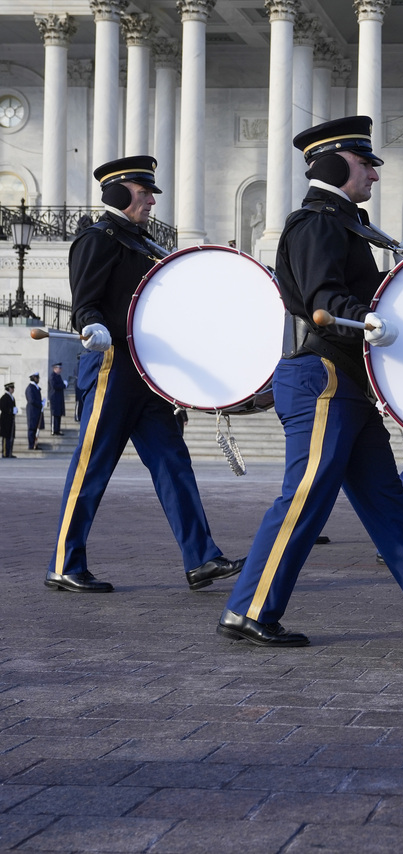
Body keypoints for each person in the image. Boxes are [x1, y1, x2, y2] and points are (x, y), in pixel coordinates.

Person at [218, 116, 403, 647]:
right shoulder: (316, 224)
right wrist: (368, 318)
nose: (374, 174)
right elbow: (325, 298)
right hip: (322, 376)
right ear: (332, 162)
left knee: (384, 497)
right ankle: (250, 608)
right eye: (365, 163)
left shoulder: (343, 223)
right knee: (305, 496)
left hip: (344, 379)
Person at [47, 155, 243, 594]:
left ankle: (201, 559)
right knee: (91, 468)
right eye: (144, 191)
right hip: (112, 367)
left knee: (174, 464)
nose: (153, 200)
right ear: (117, 191)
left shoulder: (142, 243)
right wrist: (91, 325)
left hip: (147, 373)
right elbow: (86, 302)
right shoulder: (97, 238)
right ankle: (64, 563)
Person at [24, 373, 41, 451]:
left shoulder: (35, 387)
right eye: (37, 378)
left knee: (35, 429)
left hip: (36, 411)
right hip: (32, 411)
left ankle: (34, 444)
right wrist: (40, 403)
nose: (38, 379)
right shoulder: (30, 388)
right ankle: (31, 445)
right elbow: (31, 400)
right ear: (34, 378)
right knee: (32, 428)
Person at [48, 363, 66, 436]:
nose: (60, 370)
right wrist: (63, 385)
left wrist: (63, 385)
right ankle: (53, 430)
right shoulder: (52, 376)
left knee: (58, 414)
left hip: (59, 398)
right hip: (54, 398)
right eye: (59, 368)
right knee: (54, 414)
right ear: (55, 368)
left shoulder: (58, 376)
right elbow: (54, 386)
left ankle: (57, 429)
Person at [0, 381, 15, 458]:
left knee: (10, 436)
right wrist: (11, 410)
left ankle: (9, 452)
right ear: (8, 388)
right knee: (6, 437)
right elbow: (2, 408)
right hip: (5, 420)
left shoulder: (12, 397)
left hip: (11, 420)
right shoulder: (4, 397)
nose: (13, 389)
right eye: (12, 388)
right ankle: (5, 452)